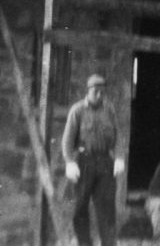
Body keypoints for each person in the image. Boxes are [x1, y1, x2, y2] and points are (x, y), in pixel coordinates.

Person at [62, 73, 125, 246]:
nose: (99, 95)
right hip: (84, 162)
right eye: (95, 91)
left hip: (105, 162)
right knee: (80, 207)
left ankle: (109, 243)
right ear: (88, 91)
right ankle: (84, 243)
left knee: (106, 209)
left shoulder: (109, 110)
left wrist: (119, 157)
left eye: (102, 92)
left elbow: (118, 135)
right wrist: (69, 162)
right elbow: (67, 140)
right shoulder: (78, 110)